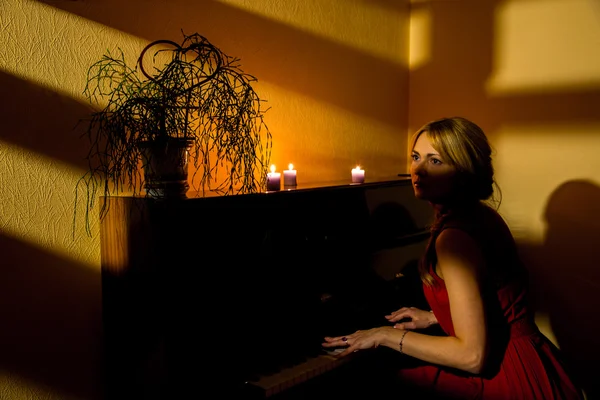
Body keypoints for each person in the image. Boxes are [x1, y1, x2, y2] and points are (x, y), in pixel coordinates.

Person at [322, 117, 584, 399]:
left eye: (435, 161)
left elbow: (472, 356)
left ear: (464, 172)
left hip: (507, 378)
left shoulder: (453, 239)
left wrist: (384, 334)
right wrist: (436, 316)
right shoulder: (482, 215)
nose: (418, 170)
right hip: (533, 360)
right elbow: (495, 300)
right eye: (415, 157)